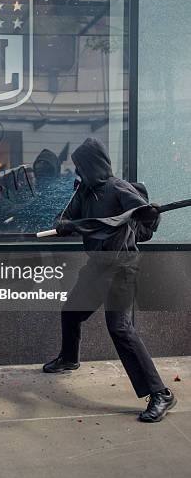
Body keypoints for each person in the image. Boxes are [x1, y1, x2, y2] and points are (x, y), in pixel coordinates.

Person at [42, 137, 177, 423]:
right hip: (97, 267)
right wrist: (63, 225)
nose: (78, 172)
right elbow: (65, 218)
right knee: (71, 312)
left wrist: (152, 215)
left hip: (122, 268)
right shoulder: (84, 192)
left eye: (81, 166)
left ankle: (160, 394)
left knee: (120, 328)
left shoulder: (118, 188)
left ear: (93, 165)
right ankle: (69, 358)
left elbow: (145, 219)